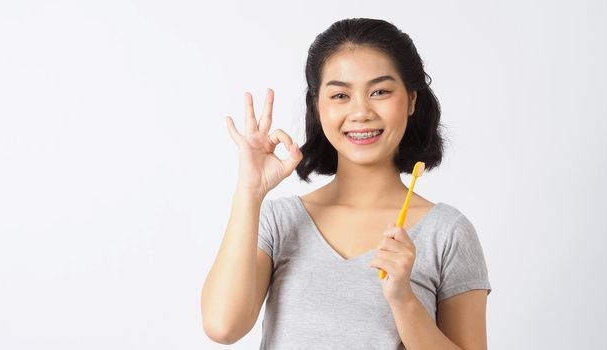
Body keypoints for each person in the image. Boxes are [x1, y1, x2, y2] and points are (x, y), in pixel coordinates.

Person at [202, 17, 492, 350]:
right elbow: (222, 327)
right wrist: (249, 192)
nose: (360, 112)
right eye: (340, 95)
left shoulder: (448, 232)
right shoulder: (278, 221)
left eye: (380, 91)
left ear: (412, 100)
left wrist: (403, 300)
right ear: (317, 105)